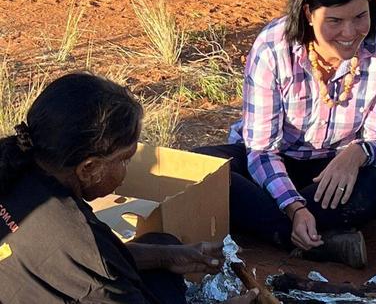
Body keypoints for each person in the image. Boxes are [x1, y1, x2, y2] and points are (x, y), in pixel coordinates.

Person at [194, 0, 376, 269]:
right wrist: (294, 206)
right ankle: (314, 238)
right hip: (270, 162)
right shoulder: (273, 48)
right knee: (200, 169)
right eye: (335, 21)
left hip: (333, 171)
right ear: (308, 13)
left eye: (360, 17)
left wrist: (357, 153)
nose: (350, 33)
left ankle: (274, 227)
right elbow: (261, 150)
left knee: (375, 187)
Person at [0, 73, 257, 304]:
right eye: (125, 158)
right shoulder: (89, 259)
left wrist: (166, 256)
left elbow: (100, 259)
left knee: (161, 243)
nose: (127, 169)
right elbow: (98, 267)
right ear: (88, 168)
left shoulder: (18, 166)